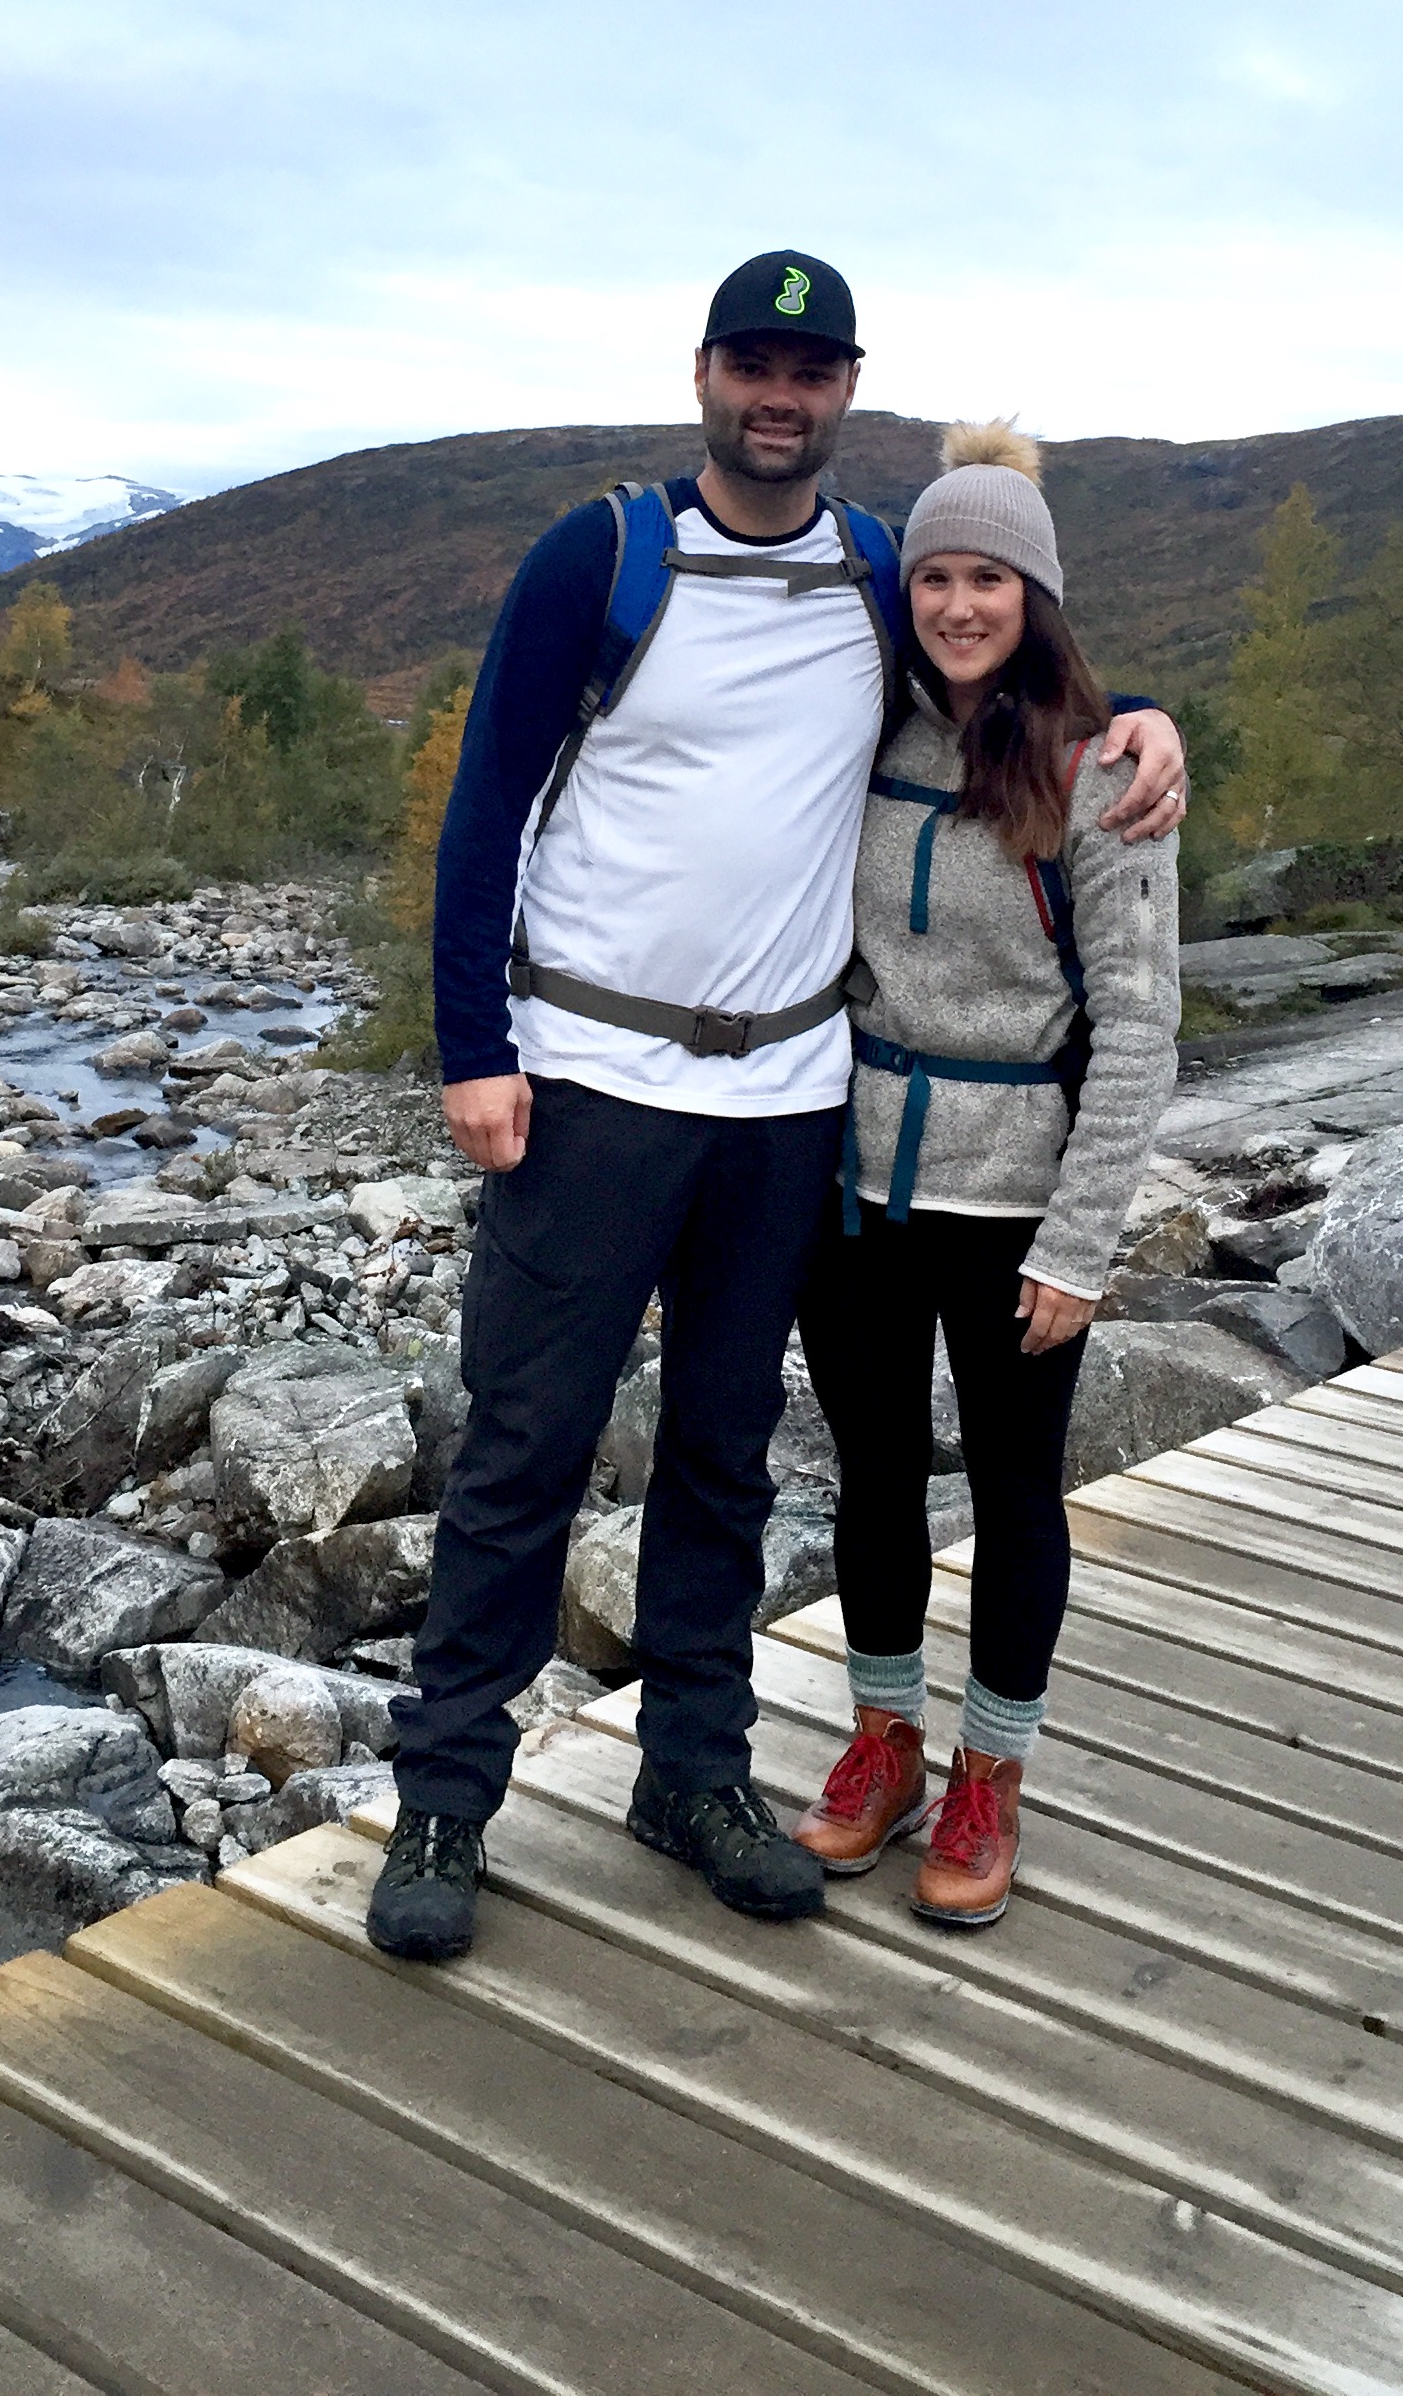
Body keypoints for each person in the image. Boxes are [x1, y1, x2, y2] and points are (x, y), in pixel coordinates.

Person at [365, 261, 1188, 1961]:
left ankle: (692, 1771)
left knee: (726, 1458)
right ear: (705, 375)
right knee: (523, 1447)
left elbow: (1010, 662)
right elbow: (487, 807)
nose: (779, 394)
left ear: (846, 389)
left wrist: (1144, 724)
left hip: (792, 1098)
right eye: (754, 362)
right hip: (592, 1078)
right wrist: (473, 1045)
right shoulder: (601, 559)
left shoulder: (879, 570)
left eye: (811, 371)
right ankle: (446, 1798)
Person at [791, 420, 1182, 1928]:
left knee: (1017, 1493)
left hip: (1016, 1197)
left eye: (991, 581)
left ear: (1037, 597)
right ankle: (884, 1738)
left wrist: (1080, 1246)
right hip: (855, 1189)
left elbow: (1141, 1026)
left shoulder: (1104, 776)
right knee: (874, 1472)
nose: (959, 605)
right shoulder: (868, 736)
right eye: (936, 576)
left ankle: (990, 1771)